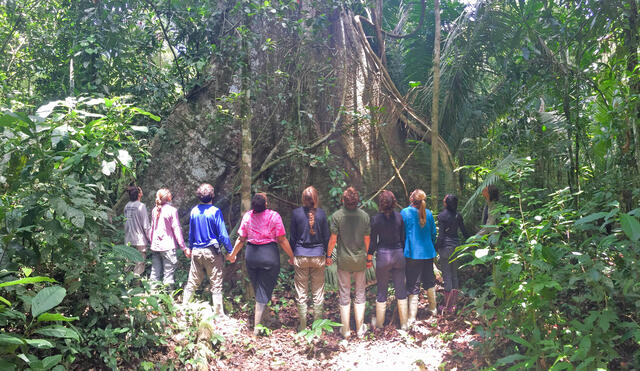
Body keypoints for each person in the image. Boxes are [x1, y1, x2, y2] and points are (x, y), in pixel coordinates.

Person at [226, 193, 295, 335]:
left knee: (259, 287)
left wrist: (232, 255)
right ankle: (257, 328)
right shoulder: (274, 216)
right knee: (262, 292)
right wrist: (292, 256)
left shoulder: (247, 216)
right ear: (266, 204)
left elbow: (241, 239)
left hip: (251, 256)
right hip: (268, 255)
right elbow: (281, 239)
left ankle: (264, 318)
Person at [326, 187, 370, 338]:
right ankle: (359, 329)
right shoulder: (364, 216)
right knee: (360, 292)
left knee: (344, 293)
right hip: (360, 260)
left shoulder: (337, 216)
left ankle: (345, 331)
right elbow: (367, 239)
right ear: (358, 201)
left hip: (344, 261)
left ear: (342, 201)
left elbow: (332, 239)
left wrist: (328, 255)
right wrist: (369, 257)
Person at [183, 184, 232, 317]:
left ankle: (184, 308)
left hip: (197, 251)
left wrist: (190, 248)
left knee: (192, 281)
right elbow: (223, 234)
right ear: (213, 195)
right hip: (211, 251)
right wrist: (230, 251)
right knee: (216, 282)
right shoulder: (215, 211)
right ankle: (218, 313)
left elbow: (191, 233)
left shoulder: (194, 211)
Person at [289, 186, 330, 331]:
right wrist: (328, 255)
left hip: (301, 256)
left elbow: (292, 237)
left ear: (303, 199)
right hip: (318, 256)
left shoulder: (296, 214)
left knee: (301, 291)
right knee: (318, 291)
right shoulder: (322, 215)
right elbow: (326, 237)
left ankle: (303, 325)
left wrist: (291, 255)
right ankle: (317, 326)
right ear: (316, 199)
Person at [369, 190, 408, 330]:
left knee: (381, 290)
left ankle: (379, 324)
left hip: (383, 256)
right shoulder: (399, 217)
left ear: (381, 203)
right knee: (401, 289)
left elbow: (373, 242)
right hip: (399, 255)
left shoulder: (375, 219)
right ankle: (404, 324)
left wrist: (369, 256)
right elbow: (403, 239)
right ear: (394, 202)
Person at [402, 189, 438, 325]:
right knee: (429, 281)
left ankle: (412, 317)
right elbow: (434, 234)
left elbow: (402, 233)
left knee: (413, 284)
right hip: (428, 252)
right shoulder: (428, 214)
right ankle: (433, 310)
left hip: (412, 253)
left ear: (412, 199)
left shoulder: (405, 213)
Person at [436, 194, 470, 314]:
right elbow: (464, 231)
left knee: (447, 275)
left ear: (446, 203)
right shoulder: (458, 216)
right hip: (456, 247)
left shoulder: (442, 216)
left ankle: (448, 306)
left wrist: (435, 247)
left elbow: (440, 236)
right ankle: (454, 304)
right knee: (454, 273)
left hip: (445, 248)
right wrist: (472, 241)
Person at [149, 188, 189, 289]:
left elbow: (152, 229)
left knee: (154, 274)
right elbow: (176, 229)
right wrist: (183, 247)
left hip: (155, 246)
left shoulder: (154, 210)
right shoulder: (172, 210)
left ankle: (152, 298)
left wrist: (152, 242)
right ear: (169, 198)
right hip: (168, 246)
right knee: (168, 275)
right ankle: (168, 300)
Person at [123, 185, 151, 277]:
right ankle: (136, 282)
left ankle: (125, 282)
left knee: (128, 261)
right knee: (139, 262)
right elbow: (146, 225)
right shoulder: (141, 206)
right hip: (139, 239)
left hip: (129, 238)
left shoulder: (126, 206)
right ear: (139, 194)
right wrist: (150, 238)